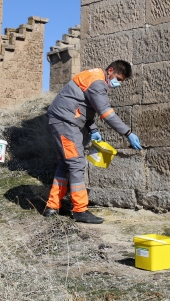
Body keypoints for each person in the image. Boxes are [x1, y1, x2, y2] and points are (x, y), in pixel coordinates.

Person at [43, 60, 142, 224]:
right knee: (77, 163)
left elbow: (82, 104)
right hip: (65, 122)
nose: (118, 83)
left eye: (122, 81)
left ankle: (52, 207)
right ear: (110, 70)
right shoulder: (98, 83)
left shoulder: (94, 76)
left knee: (66, 164)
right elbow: (106, 112)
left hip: (63, 120)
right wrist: (128, 132)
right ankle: (80, 210)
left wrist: (93, 129)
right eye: (118, 78)